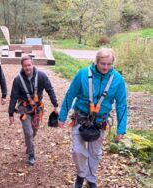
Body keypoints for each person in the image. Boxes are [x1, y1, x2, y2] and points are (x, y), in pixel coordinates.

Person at [58, 48, 127, 188]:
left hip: (100, 120)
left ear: (113, 63)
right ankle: (81, 174)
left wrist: (121, 129)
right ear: (96, 61)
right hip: (81, 117)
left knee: (95, 153)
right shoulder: (83, 74)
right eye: (102, 63)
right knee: (77, 150)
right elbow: (70, 94)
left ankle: (91, 178)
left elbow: (121, 105)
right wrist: (62, 116)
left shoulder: (118, 80)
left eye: (109, 64)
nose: (106, 67)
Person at [8, 55, 59, 165]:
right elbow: (13, 96)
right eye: (25, 66)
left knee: (34, 131)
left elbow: (50, 90)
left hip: (37, 108)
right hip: (24, 108)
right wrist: (10, 113)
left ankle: (29, 144)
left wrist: (55, 105)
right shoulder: (17, 80)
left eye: (29, 65)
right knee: (28, 131)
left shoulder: (41, 76)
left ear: (33, 65)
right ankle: (31, 155)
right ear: (22, 66)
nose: (27, 68)